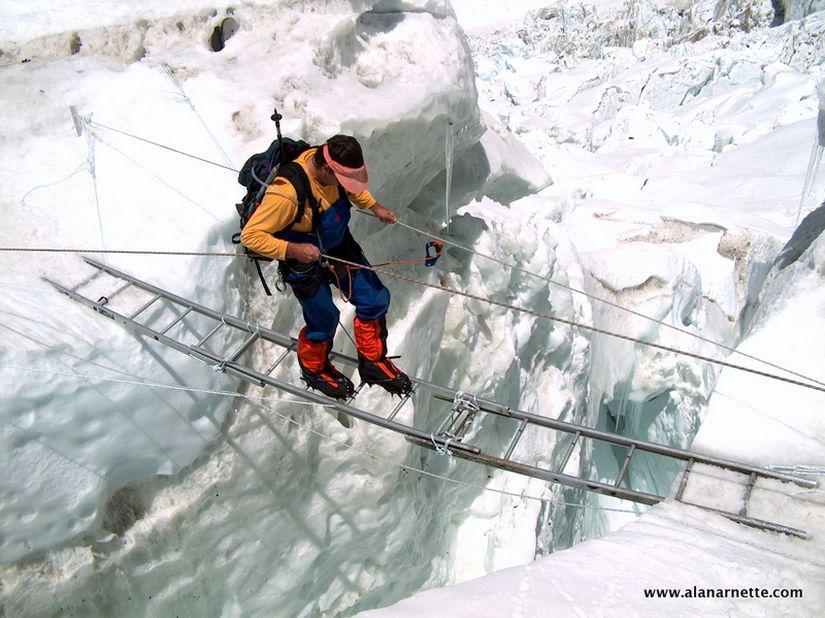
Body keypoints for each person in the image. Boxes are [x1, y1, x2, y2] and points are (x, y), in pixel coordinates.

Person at [240, 134, 412, 399]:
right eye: (342, 178)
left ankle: (373, 363)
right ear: (325, 167)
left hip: (338, 246)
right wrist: (295, 250)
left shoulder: (329, 167)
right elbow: (251, 236)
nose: (346, 184)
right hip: (302, 261)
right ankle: (313, 368)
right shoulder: (286, 193)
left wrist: (375, 207)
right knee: (324, 319)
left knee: (375, 298)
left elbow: (353, 189)